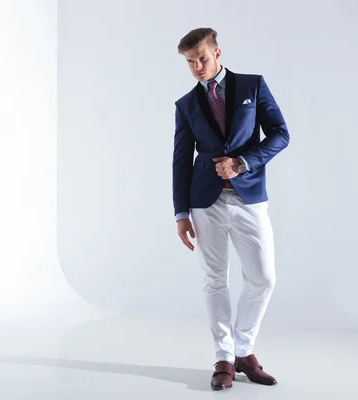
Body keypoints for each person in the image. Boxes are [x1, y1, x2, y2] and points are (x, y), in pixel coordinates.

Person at [171, 27, 289, 390]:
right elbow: (180, 159)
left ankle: (243, 349)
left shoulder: (253, 86)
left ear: (218, 53)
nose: (197, 67)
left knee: (264, 277)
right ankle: (224, 357)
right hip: (204, 200)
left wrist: (243, 163)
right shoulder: (186, 104)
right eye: (190, 62)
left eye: (202, 59)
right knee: (214, 280)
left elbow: (281, 134)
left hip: (248, 196)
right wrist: (181, 214)